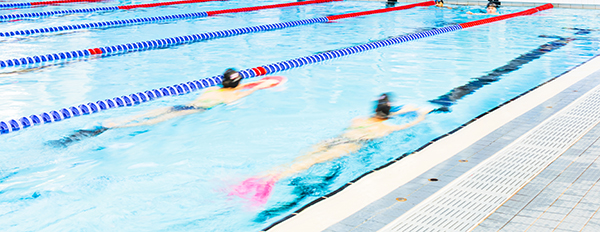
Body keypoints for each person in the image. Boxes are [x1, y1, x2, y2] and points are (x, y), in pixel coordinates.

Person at [229, 93, 430, 206]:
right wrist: (421, 112)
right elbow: (410, 122)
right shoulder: (386, 127)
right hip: (348, 146)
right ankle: (272, 180)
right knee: (307, 164)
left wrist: (398, 109)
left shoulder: (359, 119)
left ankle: (260, 176)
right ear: (389, 113)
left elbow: (383, 114)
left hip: (333, 139)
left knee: (300, 159)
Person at [51, 69, 284, 146]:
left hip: (180, 104)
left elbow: (232, 90)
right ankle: (110, 129)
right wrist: (258, 87)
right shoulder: (230, 96)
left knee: (141, 114)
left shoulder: (213, 90)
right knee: (147, 124)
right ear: (237, 84)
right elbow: (237, 97)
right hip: (192, 111)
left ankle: (108, 124)